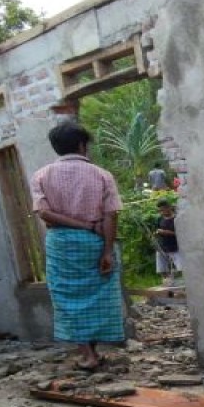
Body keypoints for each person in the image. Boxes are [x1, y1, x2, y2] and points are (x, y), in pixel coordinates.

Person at [29, 122, 125, 371]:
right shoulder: (102, 174)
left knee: (67, 297)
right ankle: (95, 351)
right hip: (95, 243)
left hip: (61, 244)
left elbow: (45, 214)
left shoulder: (42, 175)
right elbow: (111, 216)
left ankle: (87, 354)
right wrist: (106, 250)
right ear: (82, 145)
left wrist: (80, 225)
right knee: (99, 296)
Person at [154, 199, 182, 284]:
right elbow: (156, 229)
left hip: (175, 246)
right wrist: (156, 233)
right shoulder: (159, 219)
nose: (162, 212)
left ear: (169, 207)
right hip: (163, 246)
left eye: (164, 209)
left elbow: (182, 233)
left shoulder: (177, 218)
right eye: (160, 210)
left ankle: (182, 281)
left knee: (181, 267)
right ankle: (167, 281)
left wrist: (167, 232)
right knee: (162, 266)